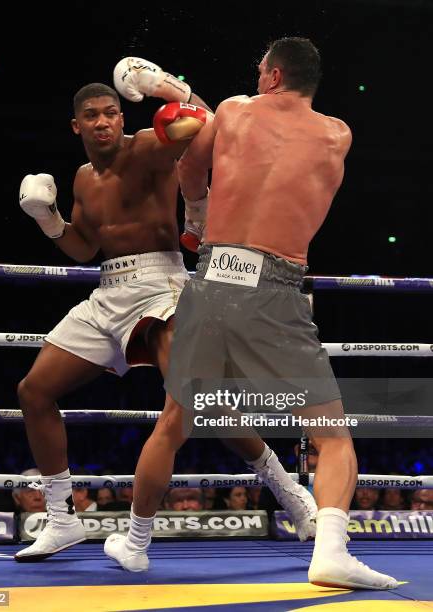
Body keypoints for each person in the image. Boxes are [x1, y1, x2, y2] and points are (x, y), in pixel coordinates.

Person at [105, 38, 397, 590]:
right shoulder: (338, 134)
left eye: (260, 68)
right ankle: (330, 550)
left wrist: (196, 212)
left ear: (273, 75)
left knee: (172, 424)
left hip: (212, 279)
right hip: (275, 288)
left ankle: (136, 543)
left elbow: (191, 158)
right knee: (330, 436)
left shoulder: (234, 111)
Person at [14, 57, 212, 562]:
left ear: (122, 118)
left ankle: (286, 489)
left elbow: (207, 125)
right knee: (34, 391)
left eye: (110, 113)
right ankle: (61, 520)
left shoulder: (147, 146)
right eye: (92, 116)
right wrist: (48, 218)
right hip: (108, 291)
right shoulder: (81, 178)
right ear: (76, 125)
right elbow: (83, 249)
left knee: (191, 400)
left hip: (161, 284)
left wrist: (169, 87)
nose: (103, 121)